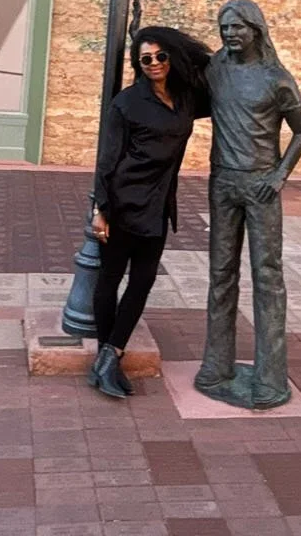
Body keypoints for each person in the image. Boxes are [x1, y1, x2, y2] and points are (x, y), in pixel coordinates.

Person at [194, 0, 301, 410]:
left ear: (256, 30)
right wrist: (139, 37)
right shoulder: (215, 69)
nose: (229, 34)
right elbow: (174, 63)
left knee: (267, 277)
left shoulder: (277, 78)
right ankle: (216, 365)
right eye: (224, 27)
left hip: (261, 184)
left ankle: (269, 376)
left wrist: (279, 176)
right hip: (222, 182)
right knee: (220, 275)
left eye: (238, 28)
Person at [88, 25, 211, 399]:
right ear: (138, 65)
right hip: (124, 202)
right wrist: (100, 209)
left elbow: (212, 76)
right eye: (146, 59)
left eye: (161, 56)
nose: (154, 63)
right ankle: (105, 356)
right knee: (109, 280)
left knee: (142, 281)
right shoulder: (126, 103)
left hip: (158, 206)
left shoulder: (186, 98)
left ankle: (110, 355)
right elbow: (107, 160)